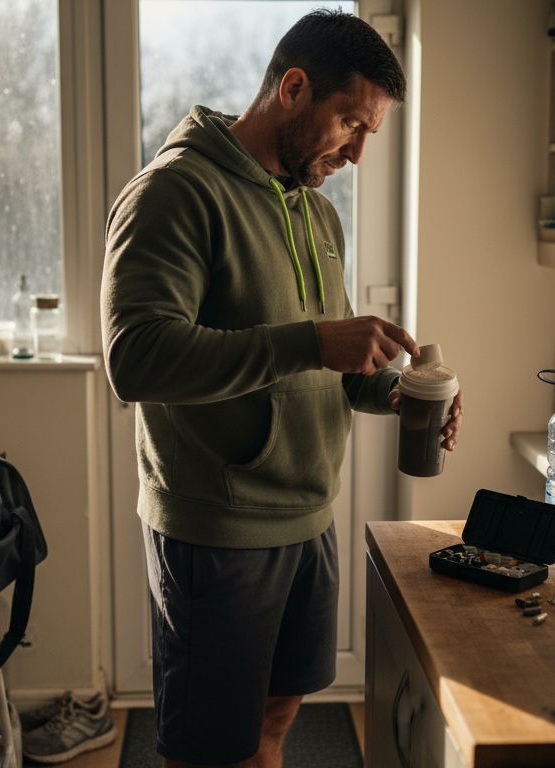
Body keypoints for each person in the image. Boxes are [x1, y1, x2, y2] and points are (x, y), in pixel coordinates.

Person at [101, 10, 463, 767]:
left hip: (307, 517)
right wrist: (311, 342)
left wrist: (393, 393)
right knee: (208, 750)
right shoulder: (174, 192)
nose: (358, 152)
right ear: (293, 88)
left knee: (277, 716)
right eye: (349, 124)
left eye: (371, 134)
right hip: (217, 530)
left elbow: (322, 368)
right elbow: (135, 360)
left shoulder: (317, 212)